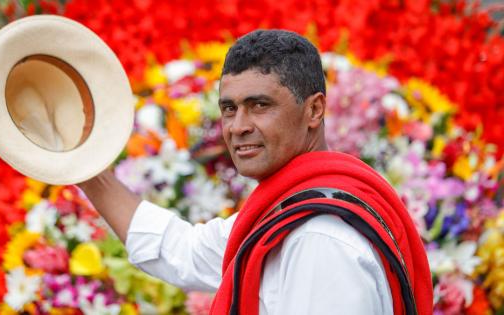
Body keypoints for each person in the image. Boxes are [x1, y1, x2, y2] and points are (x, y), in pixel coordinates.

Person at [78, 30, 432, 315]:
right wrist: (79, 163)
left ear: (315, 110)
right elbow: (180, 250)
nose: (237, 126)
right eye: (229, 109)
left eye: (259, 105)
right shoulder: (289, 211)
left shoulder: (319, 238)